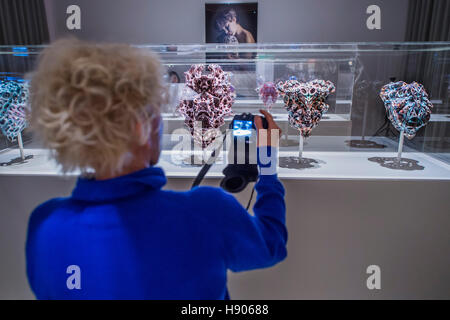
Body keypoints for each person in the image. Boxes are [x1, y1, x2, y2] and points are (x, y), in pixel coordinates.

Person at [26, 39, 287, 299]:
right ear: (141, 126)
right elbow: (271, 245)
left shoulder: (44, 225)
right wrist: (268, 167)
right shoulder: (207, 211)